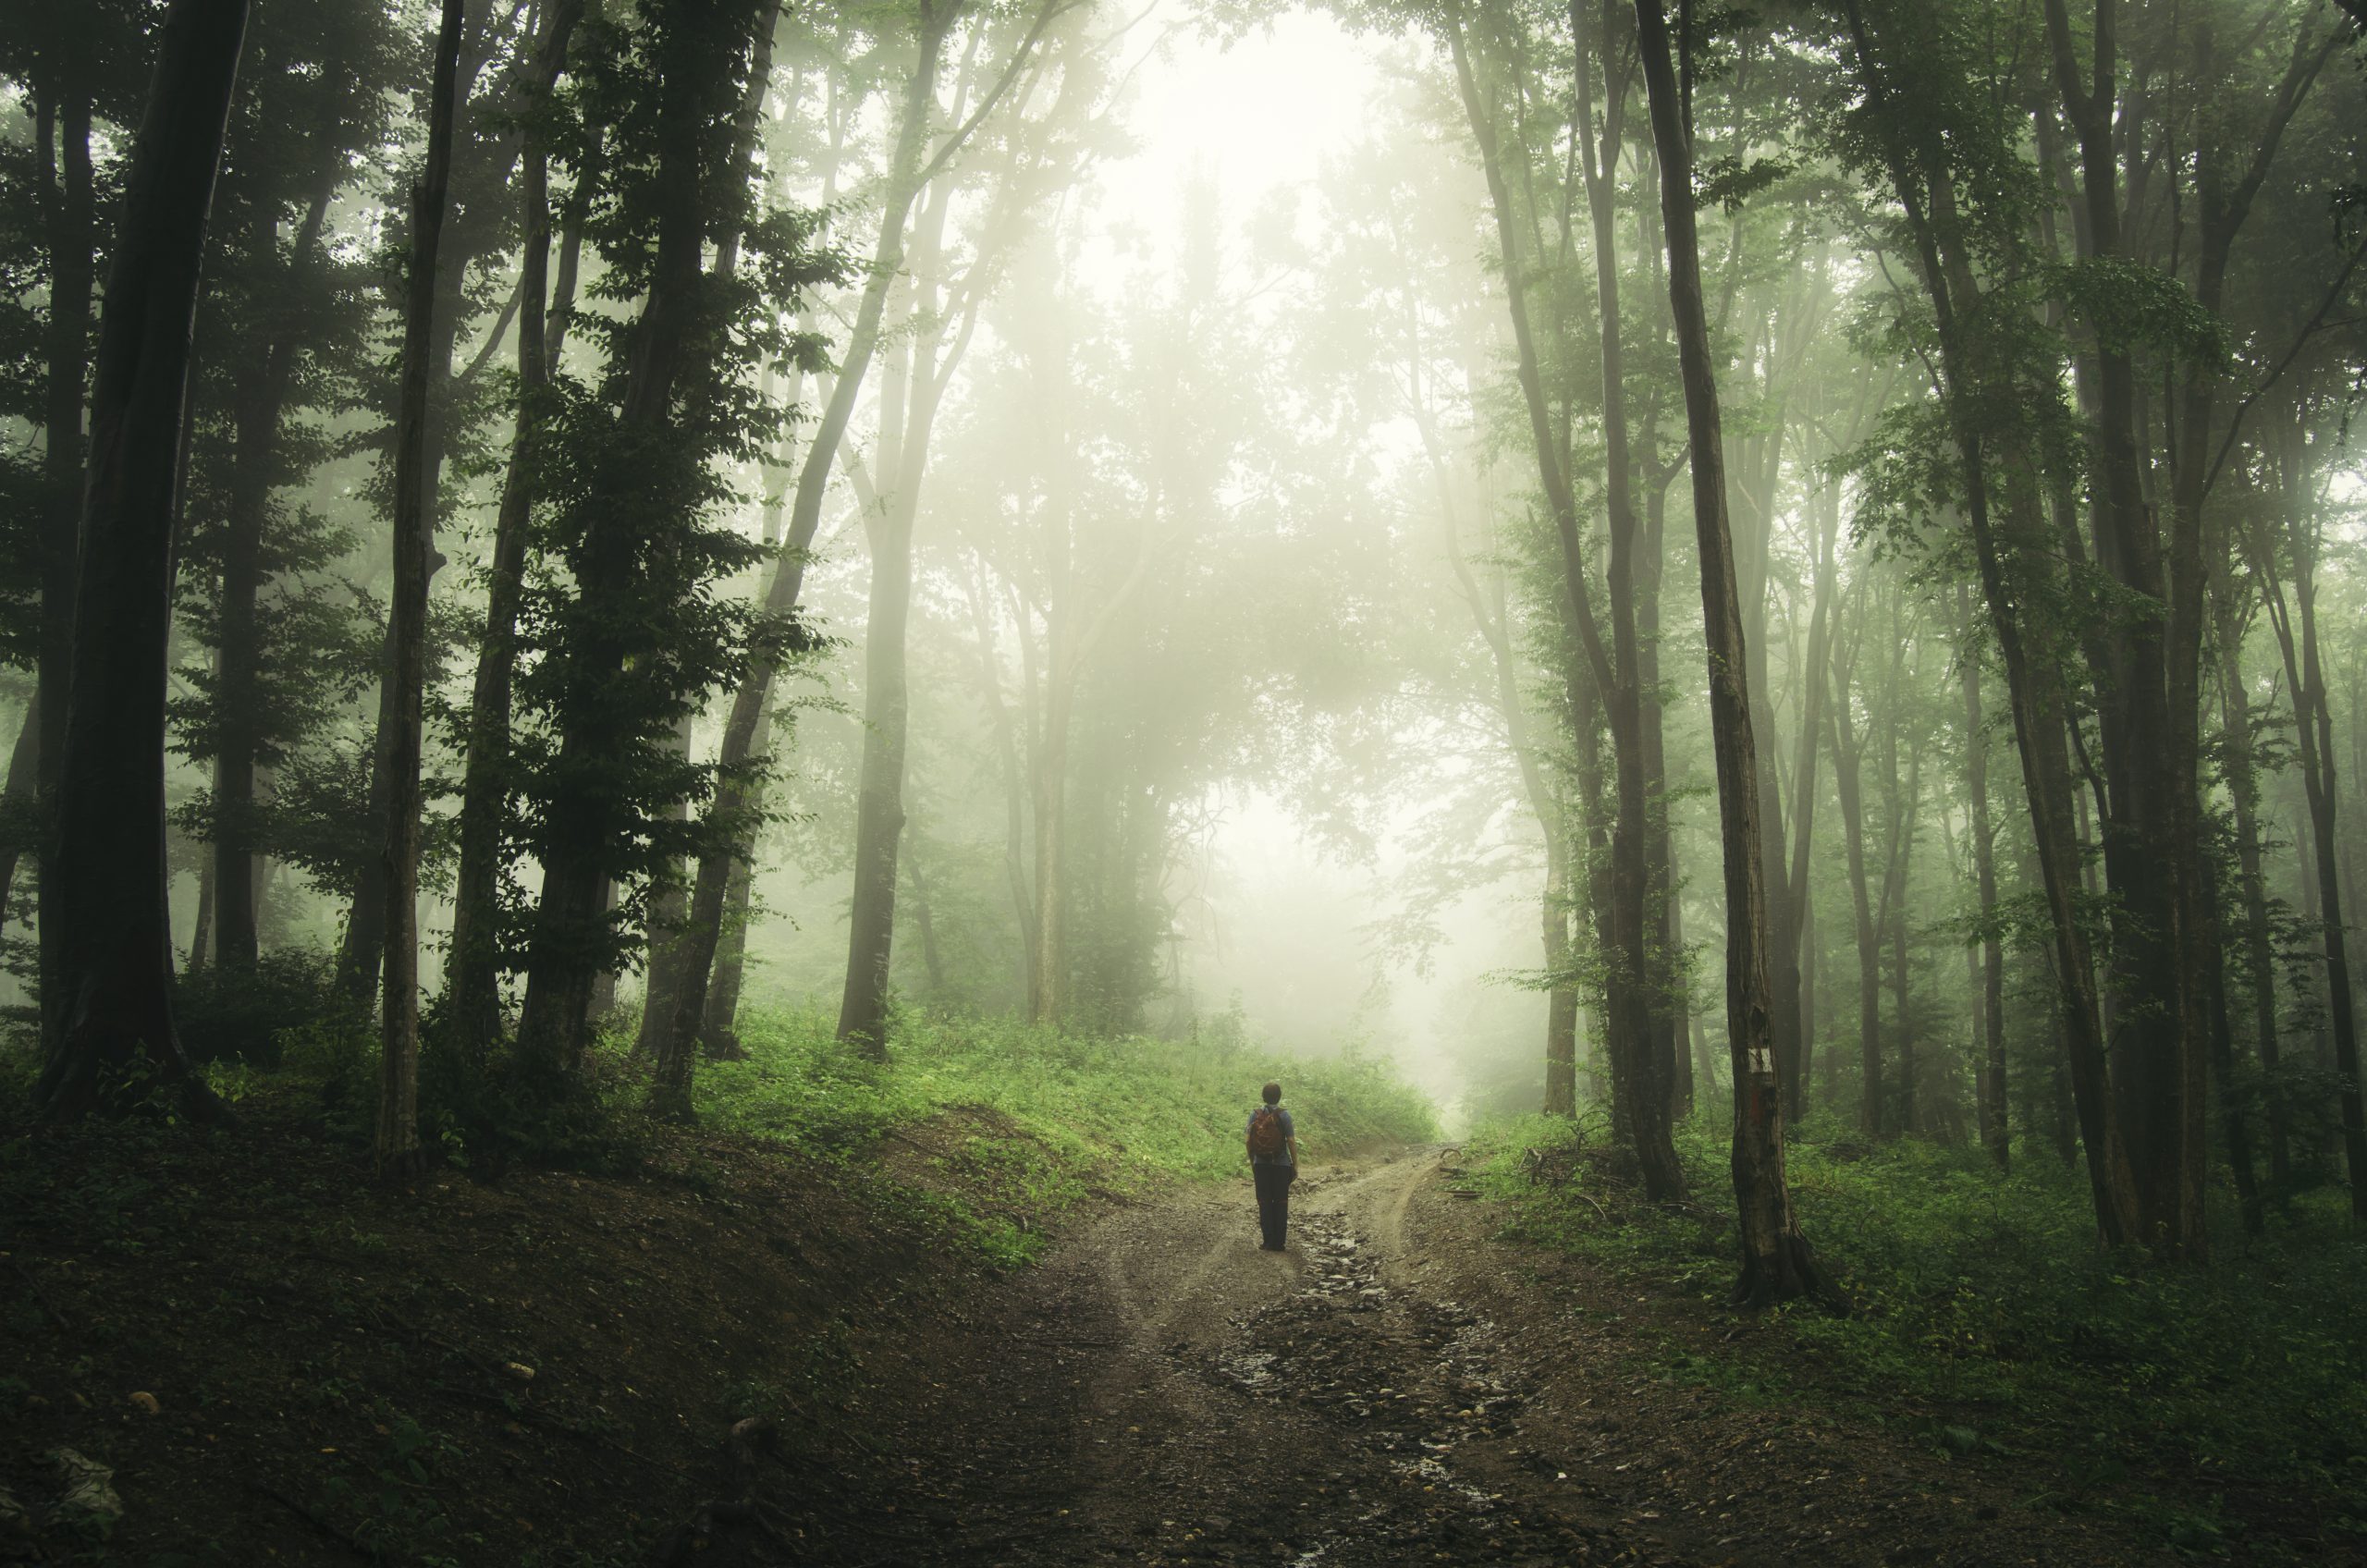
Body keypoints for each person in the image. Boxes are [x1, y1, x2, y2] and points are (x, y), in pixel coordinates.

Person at [1245, 1081, 1298, 1251]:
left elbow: (1247, 1141)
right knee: (1281, 1202)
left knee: (1264, 1202)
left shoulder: (1255, 1115)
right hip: (1281, 1164)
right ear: (1279, 1097)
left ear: (1263, 1097)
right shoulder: (1284, 1116)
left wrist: (1253, 1160)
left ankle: (1267, 1241)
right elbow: (1290, 1141)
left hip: (1261, 1164)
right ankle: (1279, 1243)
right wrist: (1294, 1164)